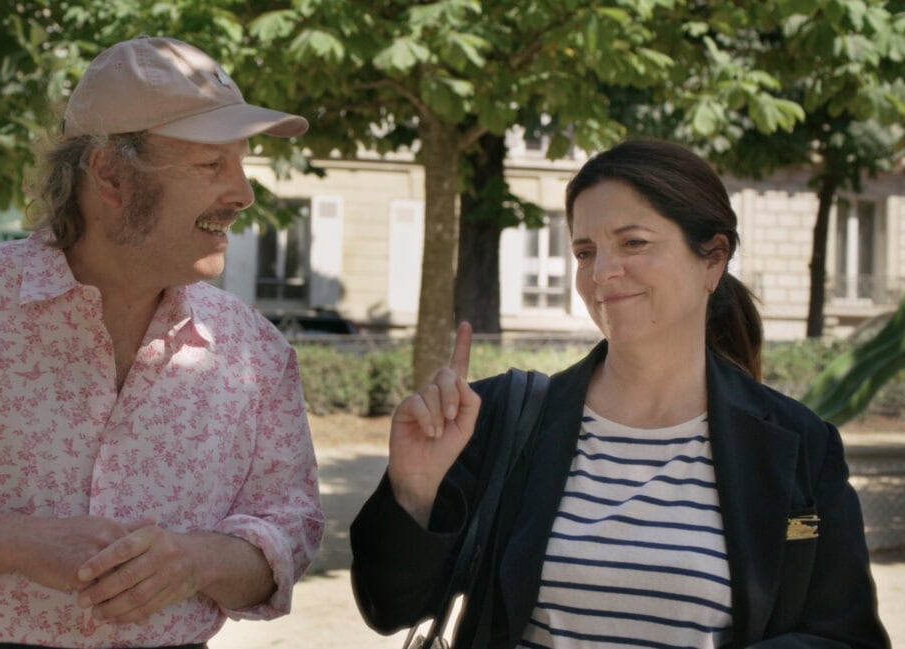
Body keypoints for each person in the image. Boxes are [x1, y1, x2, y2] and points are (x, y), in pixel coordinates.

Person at [0, 36, 324, 649]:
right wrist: (16, 543)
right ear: (109, 174)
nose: (243, 194)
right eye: (211, 165)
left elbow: (290, 531)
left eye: (242, 163)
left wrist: (197, 562)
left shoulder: (253, 351)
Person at [350, 139, 889, 648]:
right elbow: (389, 607)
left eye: (634, 243)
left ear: (713, 259)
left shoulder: (799, 445)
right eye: (585, 252)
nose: (602, 273)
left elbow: (845, 636)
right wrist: (414, 493)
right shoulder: (501, 418)